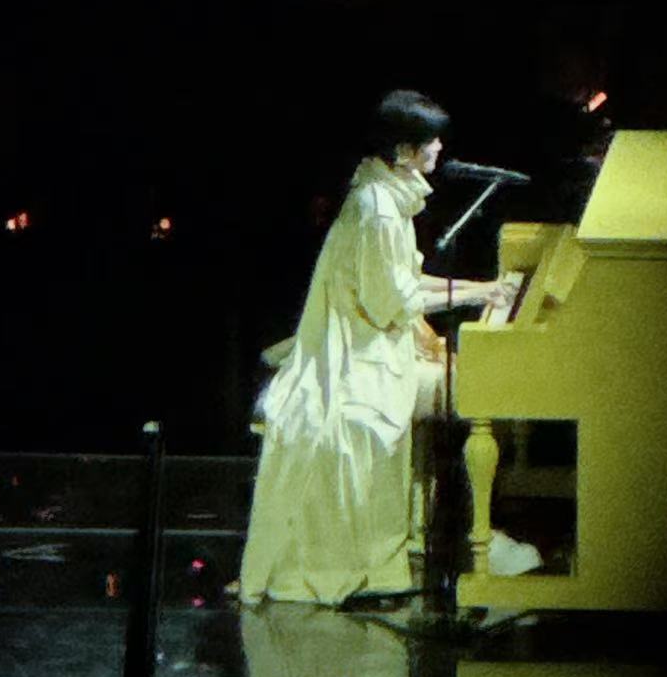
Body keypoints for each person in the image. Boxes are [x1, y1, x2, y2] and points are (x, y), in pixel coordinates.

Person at [226, 90, 537, 607]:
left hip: (375, 334)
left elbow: (405, 278)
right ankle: (448, 538)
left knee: (459, 377)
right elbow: (392, 300)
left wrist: (482, 288)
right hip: (358, 351)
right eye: (430, 141)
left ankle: (443, 531)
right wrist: (479, 293)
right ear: (403, 150)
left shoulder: (387, 197)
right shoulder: (379, 210)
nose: (439, 148)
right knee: (460, 393)